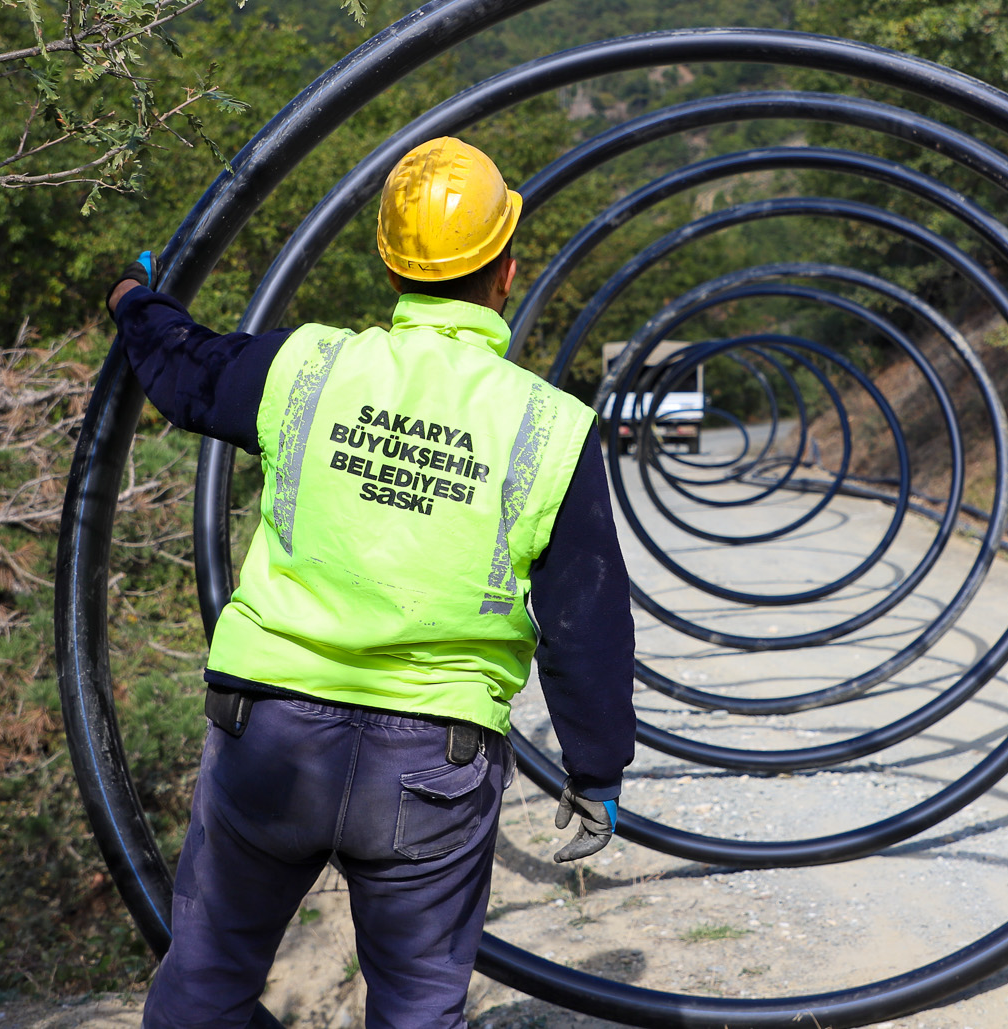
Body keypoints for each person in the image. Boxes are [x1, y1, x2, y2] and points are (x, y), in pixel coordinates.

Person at [105, 137, 636, 1029]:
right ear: (506, 274)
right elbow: (586, 617)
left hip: (271, 733)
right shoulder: (551, 426)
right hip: (434, 761)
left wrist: (133, 300)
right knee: (419, 1013)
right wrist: (595, 768)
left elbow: (187, 371)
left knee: (201, 992)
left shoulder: (310, 366)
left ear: (391, 266)